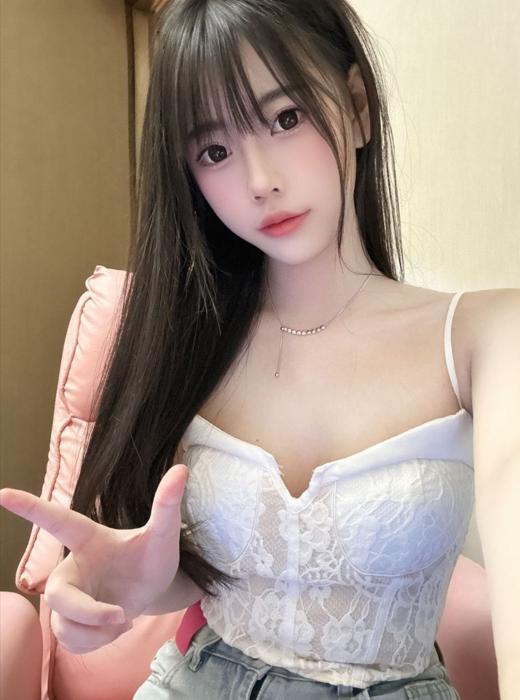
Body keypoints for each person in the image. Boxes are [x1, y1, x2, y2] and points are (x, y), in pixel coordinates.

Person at [2, 0, 499, 697]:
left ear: (357, 107)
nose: (260, 180)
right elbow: (201, 572)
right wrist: (132, 585)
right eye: (215, 152)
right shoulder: (191, 339)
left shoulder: (482, 335)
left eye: (286, 117)